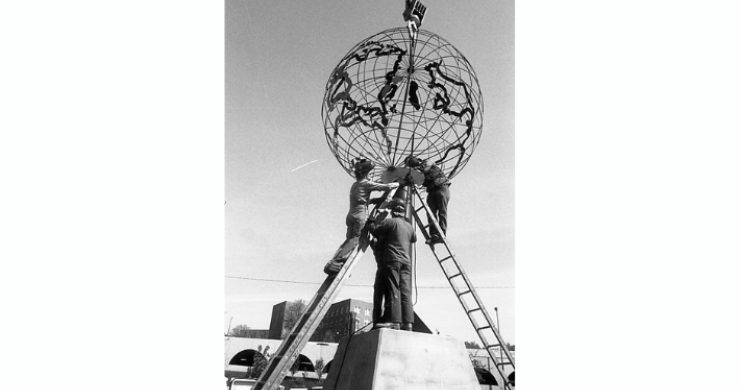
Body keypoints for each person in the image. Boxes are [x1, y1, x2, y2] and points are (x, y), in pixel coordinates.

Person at [324, 159, 398, 275]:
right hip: (360, 215)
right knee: (355, 239)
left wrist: (372, 200)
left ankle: (335, 261)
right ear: (367, 172)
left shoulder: (355, 185)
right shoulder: (366, 183)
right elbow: (386, 187)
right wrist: (398, 183)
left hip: (351, 214)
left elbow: (360, 198)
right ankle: (336, 262)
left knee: (349, 240)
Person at [367, 199, 416, 331]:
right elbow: (414, 238)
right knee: (405, 292)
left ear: (393, 210)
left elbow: (374, 230)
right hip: (406, 262)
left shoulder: (390, 222)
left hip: (393, 260)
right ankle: (408, 323)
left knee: (394, 289)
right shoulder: (409, 227)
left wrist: (371, 221)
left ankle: (395, 321)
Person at [405, 156, 450, 244]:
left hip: (441, 188)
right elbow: (423, 181)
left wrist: (417, 174)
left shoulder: (428, 163)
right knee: (430, 212)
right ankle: (434, 235)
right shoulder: (421, 170)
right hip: (432, 190)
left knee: (442, 211)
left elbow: (429, 174)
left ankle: (442, 233)